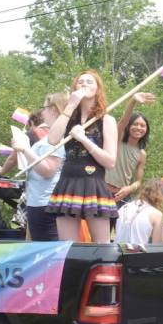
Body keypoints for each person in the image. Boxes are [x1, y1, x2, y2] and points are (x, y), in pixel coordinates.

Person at [46, 70, 118, 243]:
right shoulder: (68, 118)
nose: (85, 84)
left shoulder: (106, 120)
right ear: (75, 88)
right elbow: (52, 139)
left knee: (102, 247)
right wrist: (70, 106)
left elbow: (110, 161)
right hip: (68, 182)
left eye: (90, 82)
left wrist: (84, 139)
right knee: (67, 248)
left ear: (98, 89)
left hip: (94, 184)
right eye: (81, 82)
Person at [0, 92, 68, 241]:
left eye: (44, 107)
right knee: (37, 246)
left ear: (53, 109)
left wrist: (24, 149)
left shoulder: (55, 139)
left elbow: (48, 170)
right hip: (37, 201)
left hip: (46, 202)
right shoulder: (49, 137)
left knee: (46, 250)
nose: (42, 111)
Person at [105, 93, 154, 205]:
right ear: (129, 126)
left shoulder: (142, 154)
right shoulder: (118, 139)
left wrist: (130, 188)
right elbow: (122, 122)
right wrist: (133, 101)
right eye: (135, 124)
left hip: (122, 196)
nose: (139, 128)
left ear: (146, 130)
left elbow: (138, 181)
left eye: (143, 126)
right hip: (103, 191)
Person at [114, 179, 163, 244]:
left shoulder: (123, 208)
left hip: (117, 252)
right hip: (137, 253)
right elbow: (158, 247)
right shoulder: (156, 214)